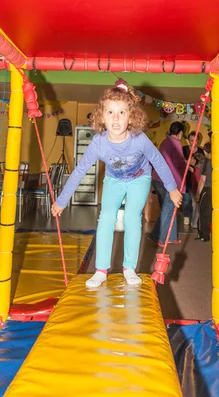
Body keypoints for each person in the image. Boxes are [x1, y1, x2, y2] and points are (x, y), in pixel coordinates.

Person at [51, 81, 182, 288]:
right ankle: (101, 269)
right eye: (110, 112)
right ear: (101, 116)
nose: (116, 118)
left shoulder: (139, 139)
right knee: (106, 218)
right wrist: (61, 201)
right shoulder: (98, 143)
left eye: (122, 112)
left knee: (131, 217)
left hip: (140, 178)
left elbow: (158, 160)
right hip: (114, 180)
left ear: (131, 117)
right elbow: (79, 171)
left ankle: (129, 267)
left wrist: (172, 188)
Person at [149, 121, 187, 245]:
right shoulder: (176, 144)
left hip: (158, 179)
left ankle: (171, 236)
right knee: (168, 208)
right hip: (166, 181)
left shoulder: (165, 142)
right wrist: (180, 185)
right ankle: (159, 237)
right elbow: (174, 166)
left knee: (170, 208)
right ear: (180, 133)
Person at [183, 131, 205, 226]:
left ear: (198, 141)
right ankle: (186, 216)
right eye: (192, 140)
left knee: (196, 200)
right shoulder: (183, 149)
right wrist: (187, 162)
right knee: (186, 198)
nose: (193, 143)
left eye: (196, 141)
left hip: (197, 179)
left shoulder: (201, 151)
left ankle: (195, 220)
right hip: (186, 178)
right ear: (189, 141)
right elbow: (179, 160)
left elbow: (203, 165)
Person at [195, 142, 212, 242]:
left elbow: (202, 180)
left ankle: (203, 235)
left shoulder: (206, 162)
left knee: (203, 214)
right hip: (215, 190)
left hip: (207, 190)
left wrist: (198, 194)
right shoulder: (218, 161)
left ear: (205, 151)